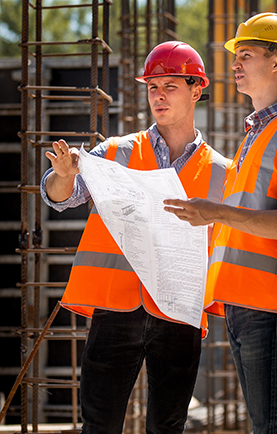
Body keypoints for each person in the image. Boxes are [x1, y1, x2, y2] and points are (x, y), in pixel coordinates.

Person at [41, 41, 229, 434]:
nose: (158, 96)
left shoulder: (220, 173)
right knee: (99, 425)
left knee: (167, 427)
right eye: (152, 87)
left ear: (197, 89)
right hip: (116, 307)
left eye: (169, 86)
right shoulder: (116, 152)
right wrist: (62, 174)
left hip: (179, 314)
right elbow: (62, 197)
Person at [163, 12, 277, 434]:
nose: (235, 63)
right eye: (236, 55)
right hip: (245, 301)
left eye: (247, 54)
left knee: (272, 426)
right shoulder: (256, 133)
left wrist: (216, 212)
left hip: (271, 301)